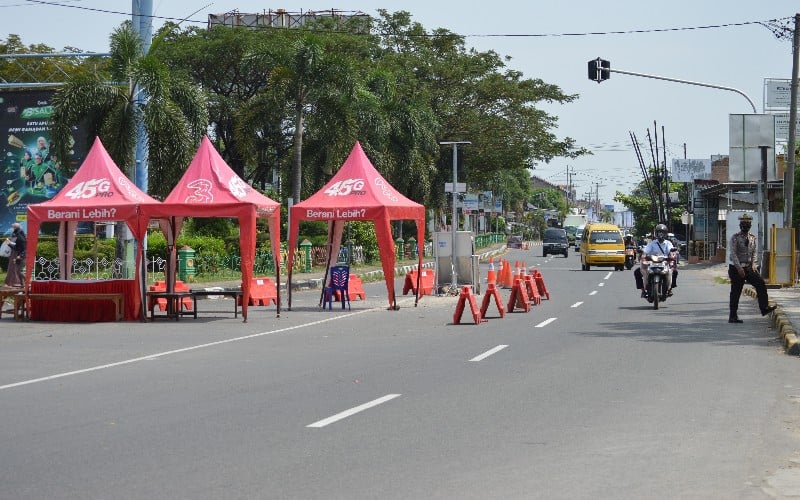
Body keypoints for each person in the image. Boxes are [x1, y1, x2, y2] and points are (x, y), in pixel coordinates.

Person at [728, 213, 776, 323]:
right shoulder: (735, 238)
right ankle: (733, 316)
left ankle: (764, 308)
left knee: (760, 283)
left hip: (749, 267)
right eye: (744, 223)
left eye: (748, 223)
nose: (746, 225)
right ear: (740, 225)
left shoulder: (752, 238)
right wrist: (739, 268)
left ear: (750, 225)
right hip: (736, 268)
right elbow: (733, 254)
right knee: (736, 291)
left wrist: (754, 264)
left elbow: (754, 253)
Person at [634, 223, 674, 297]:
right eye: (659, 232)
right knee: (637, 272)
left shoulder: (668, 243)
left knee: (674, 272)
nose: (660, 234)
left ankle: (669, 289)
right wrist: (643, 256)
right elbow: (645, 251)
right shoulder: (652, 243)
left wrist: (671, 257)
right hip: (652, 262)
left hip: (664, 262)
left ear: (665, 233)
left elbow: (670, 251)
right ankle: (643, 290)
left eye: (662, 232)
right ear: (656, 233)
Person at [4, 223, 26, 288]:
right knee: (18, 271)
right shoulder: (19, 237)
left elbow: (25, 249)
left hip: (22, 256)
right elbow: (16, 247)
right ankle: (22, 285)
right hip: (19, 255)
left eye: (13, 228)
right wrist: (9, 244)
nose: (13, 233)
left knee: (19, 270)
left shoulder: (20, 238)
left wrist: (21, 256)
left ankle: (28, 281)